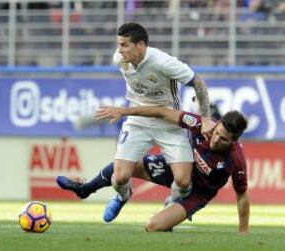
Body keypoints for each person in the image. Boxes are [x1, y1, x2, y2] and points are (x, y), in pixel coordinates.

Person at [81, 22, 212, 222]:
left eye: (124, 45)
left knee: (184, 182)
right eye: (119, 44)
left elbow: (198, 82)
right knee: (120, 177)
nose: (119, 50)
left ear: (140, 45)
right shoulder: (119, 59)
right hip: (137, 121)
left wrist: (205, 117)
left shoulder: (164, 62)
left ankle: (170, 205)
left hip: (169, 122)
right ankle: (122, 196)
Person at [57, 106, 250, 234]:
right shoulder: (201, 124)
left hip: (197, 192)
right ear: (216, 125)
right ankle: (86, 188)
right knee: (126, 167)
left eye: (223, 139)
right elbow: (162, 112)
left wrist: (243, 232)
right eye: (216, 132)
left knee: (153, 226)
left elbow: (242, 195)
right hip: (174, 168)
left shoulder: (236, 159)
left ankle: (171, 209)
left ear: (234, 140)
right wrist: (125, 111)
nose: (215, 139)